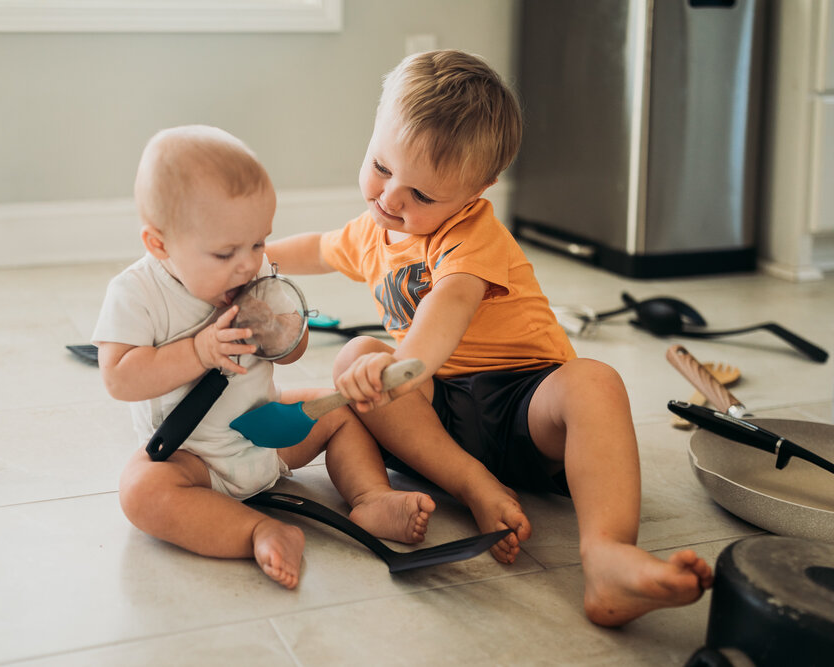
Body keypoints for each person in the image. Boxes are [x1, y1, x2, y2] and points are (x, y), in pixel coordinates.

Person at [266, 51, 713, 624]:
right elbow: (316, 248)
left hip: (524, 407)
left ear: (479, 188)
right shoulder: (373, 229)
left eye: (422, 195)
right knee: (356, 355)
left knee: (595, 382)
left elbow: (447, 306)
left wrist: (408, 364)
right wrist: (253, 260)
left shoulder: (472, 235)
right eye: (380, 166)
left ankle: (607, 556)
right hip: (437, 428)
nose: (391, 198)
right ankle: (448, 488)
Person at [93, 125, 435, 589]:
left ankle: (371, 497)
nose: (248, 263)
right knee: (140, 491)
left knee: (343, 413)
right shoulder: (137, 294)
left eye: (258, 243)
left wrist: (283, 331)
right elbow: (119, 379)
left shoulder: (258, 272)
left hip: (269, 433)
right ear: (159, 244)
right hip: (195, 457)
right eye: (225, 252)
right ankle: (257, 530)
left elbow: (292, 354)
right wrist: (198, 351)